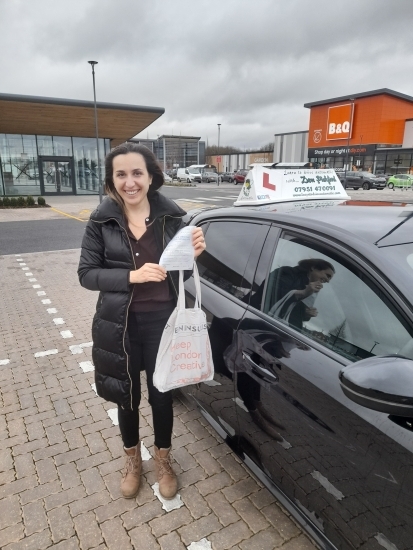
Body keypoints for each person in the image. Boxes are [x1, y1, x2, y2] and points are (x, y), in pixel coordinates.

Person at [78, 142, 206, 500]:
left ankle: (163, 458)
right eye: (121, 174)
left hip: (163, 323)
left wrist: (196, 253)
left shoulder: (174, 219)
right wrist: (131, 277)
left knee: (162, 395)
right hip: (119, 326)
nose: (129, 182)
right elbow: (86, 274)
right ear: (111, 180)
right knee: (127, 397)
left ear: (151, 177)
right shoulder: (100, 221)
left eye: (137, 173)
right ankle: (133, 459)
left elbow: (185, 271)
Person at [267, 259, 335, 330]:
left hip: (287, 330)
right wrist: (303, 293)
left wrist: (306, 314)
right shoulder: (287, 272)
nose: (328, 281)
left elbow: (294, 314)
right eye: (328, 276)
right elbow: (271, 295)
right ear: (313, 268)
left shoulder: (311, 288)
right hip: (269, 325)